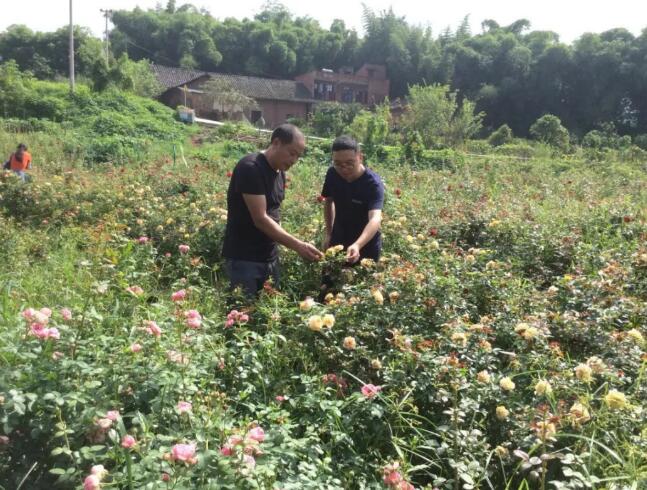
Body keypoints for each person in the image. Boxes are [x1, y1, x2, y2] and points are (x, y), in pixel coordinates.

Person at [222, 123, 323, 297]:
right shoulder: (251, 168)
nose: (294, 160)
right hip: (245, 258)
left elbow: (274, 212)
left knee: (267, 317)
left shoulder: (279, 173)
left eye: (298, 156)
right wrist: (298, 246)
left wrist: (281, 245)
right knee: (242, 315)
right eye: (292, 153)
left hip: (269, 257)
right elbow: (260, 218)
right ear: (276, 142)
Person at [321, 135, 384, 263]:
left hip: (366, 245)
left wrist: (357, 245)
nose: (344, 169)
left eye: (349, 163)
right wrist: (329, 233)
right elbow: (328, 201)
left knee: (361, 281)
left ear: (360, 157)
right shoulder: (332, 174)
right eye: (338, 164)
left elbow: (375, 218)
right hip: (338, 239)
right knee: (329, 280)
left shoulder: (372, 183)